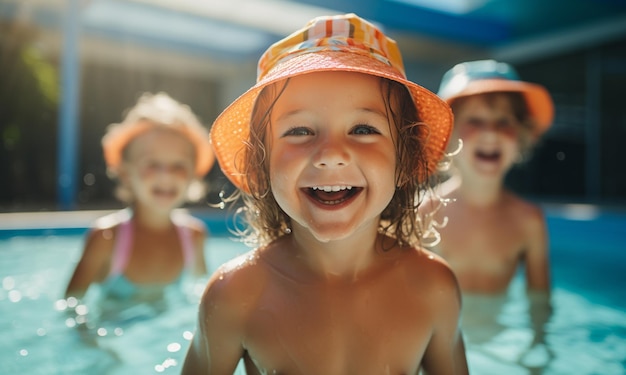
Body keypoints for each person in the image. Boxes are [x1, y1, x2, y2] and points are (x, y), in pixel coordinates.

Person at [182, 13, 468, 375]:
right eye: (299, 130)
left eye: (363, 128)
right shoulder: (235, 295)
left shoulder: (432, 289)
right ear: (261, 163)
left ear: (404, 159)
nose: (331, 154)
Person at [65, 92, 212, 306]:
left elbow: (203, 302)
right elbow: (71, 306)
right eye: (152, 164)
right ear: (126, 173)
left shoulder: (194, 236)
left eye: (178, 166)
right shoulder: (106, 239)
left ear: (194, 174)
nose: (166, 175)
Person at [423, 59, 554, 295]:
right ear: (447, 137)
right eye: (475, 121)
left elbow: (540, 303)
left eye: (504, 121)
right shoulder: (425, 212)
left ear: (522, 136)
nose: (491, 132)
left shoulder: (529, 222)